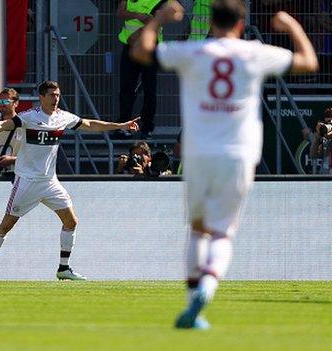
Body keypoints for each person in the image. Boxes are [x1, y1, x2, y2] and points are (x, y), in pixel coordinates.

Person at [131, 0, 318, 329]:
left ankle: (193, 305)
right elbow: (308, 62)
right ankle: (207, 286)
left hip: (199, 152)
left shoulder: (193, 52)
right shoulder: (253, 52)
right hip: (238, 153)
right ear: (241, 24)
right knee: (223, 234)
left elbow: (141, 52)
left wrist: (158, 19)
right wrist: (292, 26)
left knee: (198, 230)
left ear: (210, 22)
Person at [0, 80, 140, 281]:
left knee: (71, 222)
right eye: (51, 95)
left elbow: (90, 124)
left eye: (57, 95)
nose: (56, 99)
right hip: (27, 182)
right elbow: (2, 125)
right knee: (5, 226)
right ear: (42, 97)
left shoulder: (63, 117)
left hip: (50, 182)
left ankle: (63, 269)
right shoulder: (29, 117)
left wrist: (120, 125)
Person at [116, 0, 166, 138]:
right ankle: (124, 126)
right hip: (130, 47)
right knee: (127, 87)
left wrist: (139, 34)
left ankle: (147, 126)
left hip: (149, 47)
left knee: (150, 89)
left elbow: (159, 19)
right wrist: (140, 16)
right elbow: (120, 13)